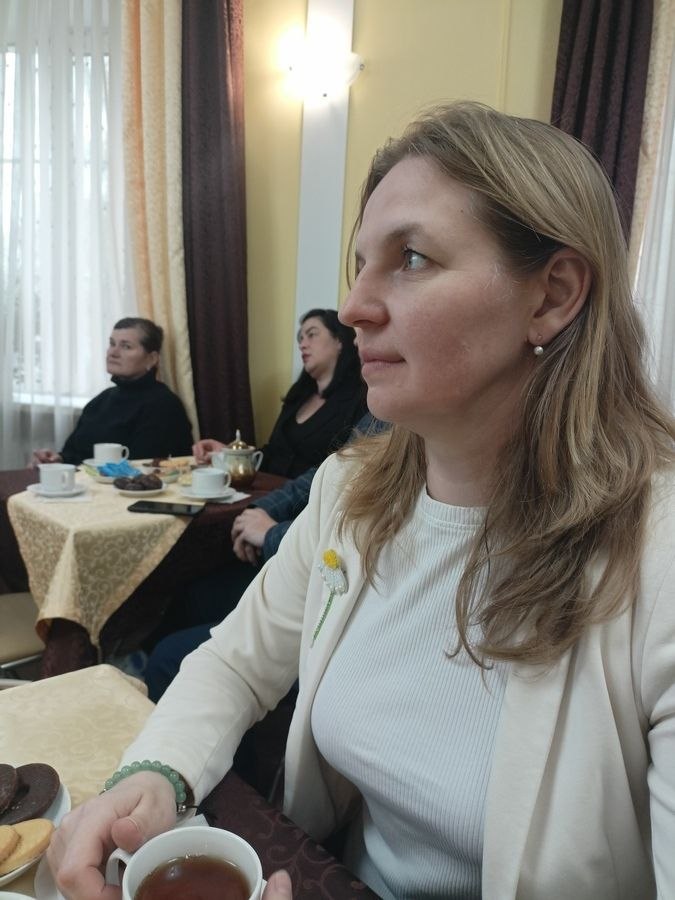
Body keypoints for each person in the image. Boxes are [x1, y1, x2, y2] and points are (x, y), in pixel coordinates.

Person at [48, 101, 675, 900]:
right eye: (358, 264)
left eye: (410, 258)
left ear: (550, 295)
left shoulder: (655, 555)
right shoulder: (350, 490)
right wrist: (156, 773)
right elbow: (237, 663)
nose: (351, 307)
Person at [144, 413, 388, 703]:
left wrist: (271, 534)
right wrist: (261, 510)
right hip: (303, 562)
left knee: (170, 658)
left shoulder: (381, 416)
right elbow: (323, 476)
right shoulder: (367, 423)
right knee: (190, 598)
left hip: (333, 593)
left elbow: (351, 542)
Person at [193, 308, 367, 478]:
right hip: (269, 490)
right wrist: (227, 453)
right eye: (300, 338)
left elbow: (342, 471)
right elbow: (272, 454)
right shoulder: (297, 396)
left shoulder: (359, 399)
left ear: (339, 340)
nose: (302, 345)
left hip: (307, 496)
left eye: (312, 335)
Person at [31, 317, 193, 466]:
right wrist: (56, 460)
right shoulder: (102, 399)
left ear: (152, 359)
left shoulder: (162, 405)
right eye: (112, 344)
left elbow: (143, 468)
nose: (113, 352)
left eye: (126, 346)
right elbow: (75, 453)